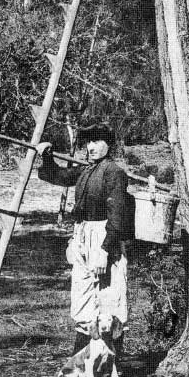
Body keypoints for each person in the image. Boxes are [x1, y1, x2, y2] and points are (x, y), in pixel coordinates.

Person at [36, 122, 134, 356]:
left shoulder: (114, 173)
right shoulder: (86, 170)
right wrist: (47, 156)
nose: (91, 147)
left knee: (109, 298)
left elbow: (118, 215)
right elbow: (59, 176)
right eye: (88, 142)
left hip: (105, 237)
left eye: (97, 141)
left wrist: (104, 250)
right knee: (83, 297)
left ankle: (111, 367)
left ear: (108, 145)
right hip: (83, 235)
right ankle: (81, 367)